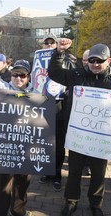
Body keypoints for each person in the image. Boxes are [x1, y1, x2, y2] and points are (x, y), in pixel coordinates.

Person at [47, 41, 111, 216]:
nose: (95, 64)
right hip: (79, 135)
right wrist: (59, 52)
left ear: (108, 60)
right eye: (92, 60)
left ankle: (96, 204)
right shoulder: (76, 74)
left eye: (99, 61)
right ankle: (71, 201)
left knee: (99, 174)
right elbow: (54, 73)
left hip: (102, 137)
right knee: (74, 172)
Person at [0, 29, 35, 216]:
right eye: (15, 74)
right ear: (10, 75)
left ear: (29, 77)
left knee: (22, 185)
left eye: (23, 75)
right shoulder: (2, 90)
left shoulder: (36, 94)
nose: (18, 78)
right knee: (3, 185)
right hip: (5, 146)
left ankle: (18, 211)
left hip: (27, 146)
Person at [38, 34, 77, 191]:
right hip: (41, 105)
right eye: (46, 43)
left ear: (57, 44)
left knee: (59, 144)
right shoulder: (37, 61)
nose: (48, 45)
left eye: (51, 42)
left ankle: (56, 174)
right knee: (44, 142)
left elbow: (74, 82)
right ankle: (46, 171)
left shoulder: (70, 60)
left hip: (60, 106)